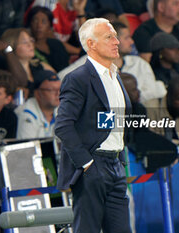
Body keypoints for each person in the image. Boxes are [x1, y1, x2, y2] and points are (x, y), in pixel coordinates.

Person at [55, 18, 132, 233]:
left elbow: (110, 121)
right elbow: (63, 126)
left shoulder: (115, 76)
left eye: (116, 36)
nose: (117, 41)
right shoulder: (77, 78)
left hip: (115, 165)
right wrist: (87, 164)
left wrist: (119, 160)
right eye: (109, 37)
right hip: (93, 165)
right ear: (91, 44)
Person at [58, 21, 166, 102]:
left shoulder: (140, 64)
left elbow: (158, 91)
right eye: (127, 38)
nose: (132, 42)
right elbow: (61, 79)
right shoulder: (89, 61)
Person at [1, 28, 56, 98]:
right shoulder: (7, 74)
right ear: (12, 46)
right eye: (24, 42)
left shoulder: (41, 65)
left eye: (30, 40)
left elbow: (58, 83)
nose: (30, 45)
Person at [15, 70, 61, 139]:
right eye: (52, 90)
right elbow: (28, 148)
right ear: (38, 93)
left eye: (60, 89)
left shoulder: (62, 111)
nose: (58, 94)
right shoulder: (25, 113)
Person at [26, 6, 70, 72]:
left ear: (50, 26)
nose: (39, 26)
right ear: (30, 24)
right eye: (35, 21)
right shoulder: (28, 49)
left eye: (43, 22)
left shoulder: (57, 44)